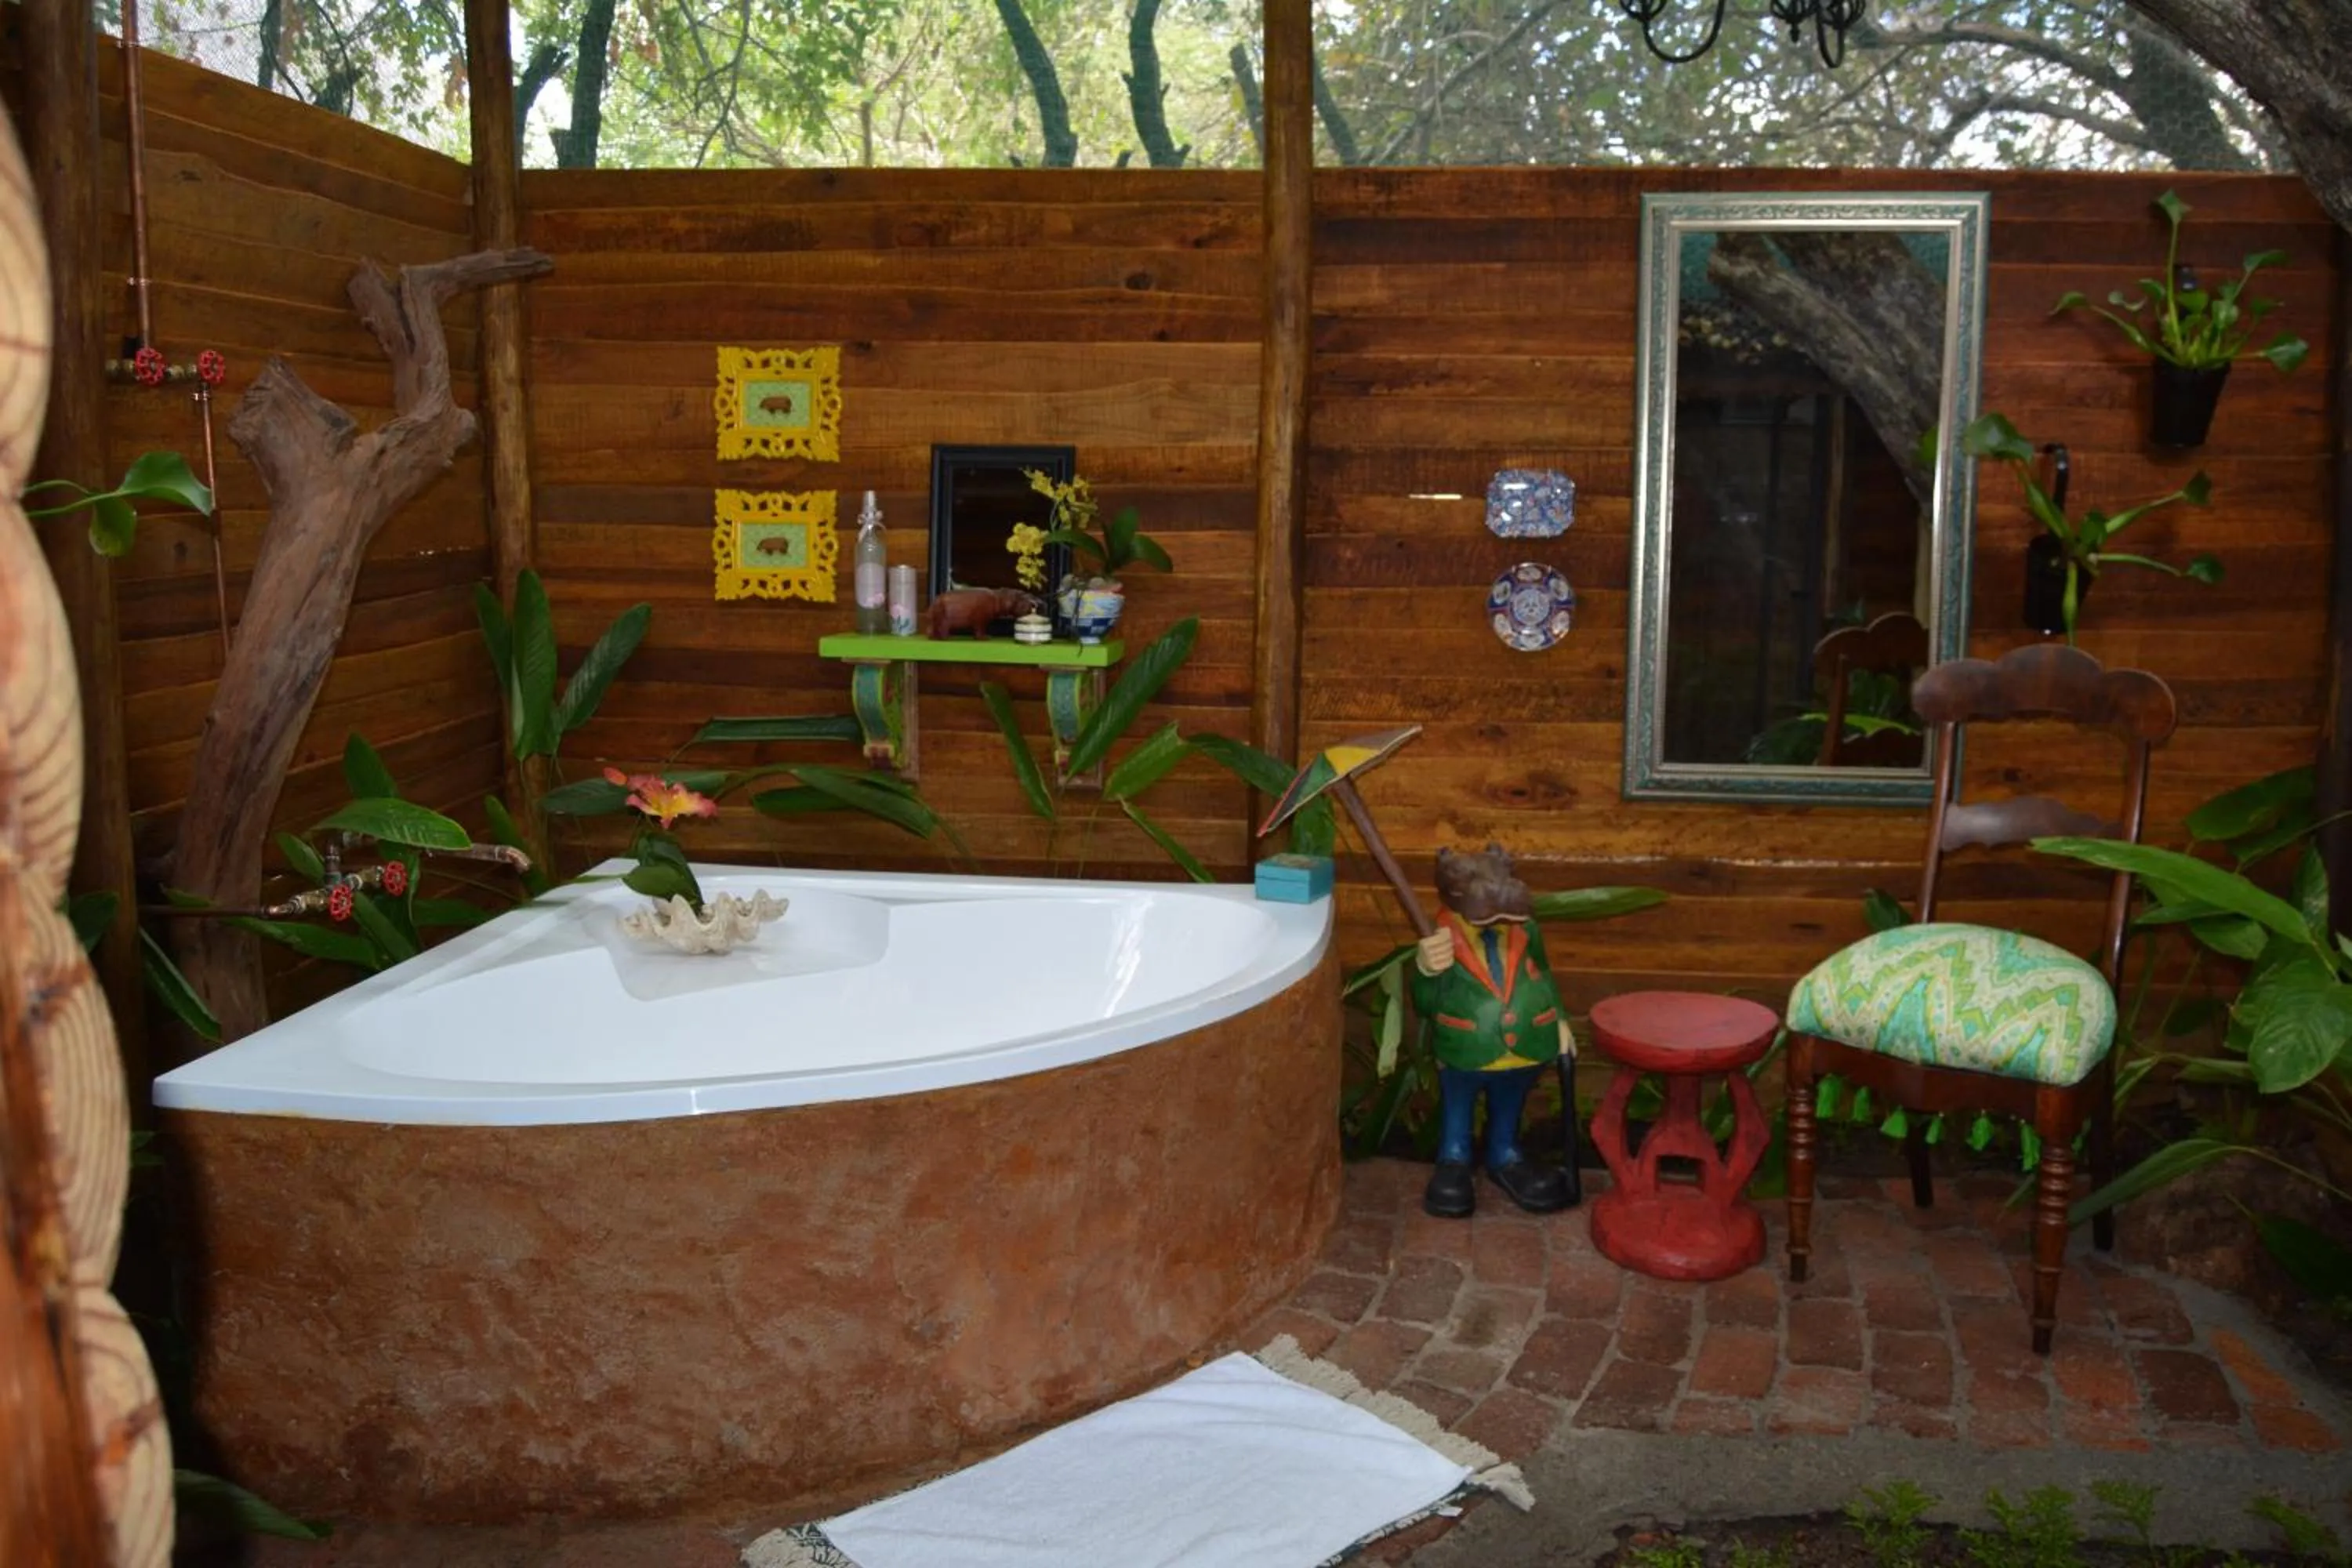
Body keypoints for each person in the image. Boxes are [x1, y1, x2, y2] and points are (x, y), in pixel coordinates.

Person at [1410, 844, 1576, 1218]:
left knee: (1509, 1105)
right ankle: (1454, 1159)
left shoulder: (1525, 930)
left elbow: (1543, 972)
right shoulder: (1439, 937)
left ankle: (1505, 1155)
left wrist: (1560, 1020)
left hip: (1524, 1049)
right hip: (1464, 1048)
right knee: (1458, 1109)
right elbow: (1425, 1003)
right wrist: (1425, 970)